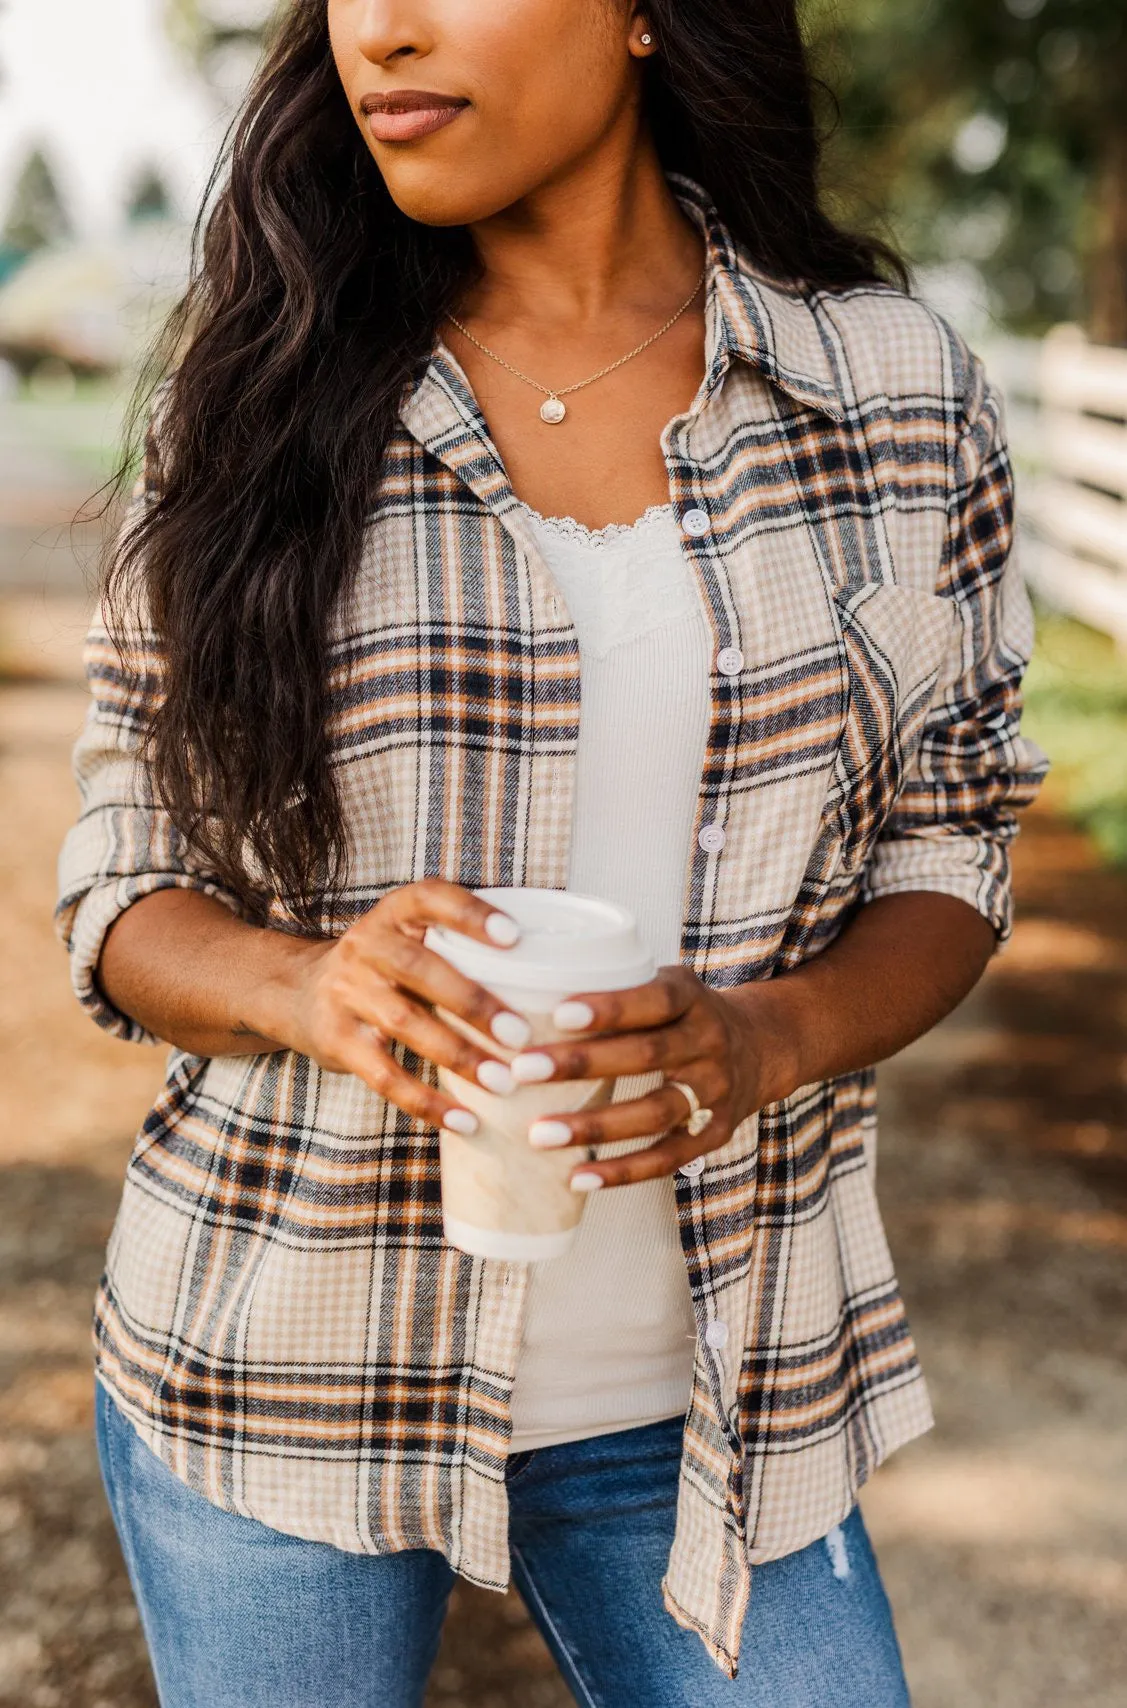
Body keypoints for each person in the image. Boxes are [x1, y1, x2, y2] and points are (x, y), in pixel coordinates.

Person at [57, 2, 1047, 1703]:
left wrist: (768, 1037)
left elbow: (953, 838)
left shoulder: (890, 388)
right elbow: (117, 875)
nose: (383, 30)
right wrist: (308, 984)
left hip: (724, 1394)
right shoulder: (257, 387)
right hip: (283, 1370)